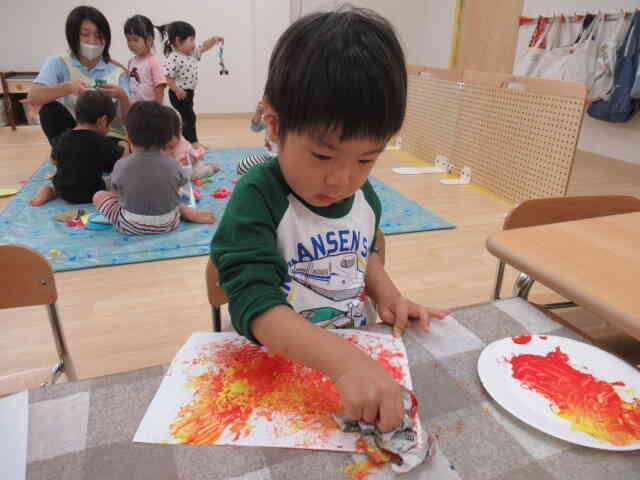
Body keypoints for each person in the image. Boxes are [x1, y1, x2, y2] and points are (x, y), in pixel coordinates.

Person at [210, 7, 448, 433]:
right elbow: (253, 302)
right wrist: (345, 363)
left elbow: (363, 253)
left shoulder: (363, 197)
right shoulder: (257, 198)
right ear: (274, 125)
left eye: (366, 159)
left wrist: (389, 295)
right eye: (322, 155)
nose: (342, 179)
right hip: (273, 368)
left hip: (349, 364)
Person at [93, 101, 215, 235]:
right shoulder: (173, 164)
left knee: (99, 195)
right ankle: (185, 211)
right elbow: (182, 182)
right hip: (169, 223)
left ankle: (177, 211)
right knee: (168, 197)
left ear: (128, 136)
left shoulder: (121, 164)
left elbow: (116, 190)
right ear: (168, 138)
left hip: (130, 226)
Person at [28, 6, 130, 148]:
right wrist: (67, 88)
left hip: (108, 137)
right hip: (73, 136)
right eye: (85, 34)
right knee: (49, 109)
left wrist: (122, 96)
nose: (92, 41)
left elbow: (128, 121)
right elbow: (33, 96)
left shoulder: (118, 72)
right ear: (73, 35)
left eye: (98, 35)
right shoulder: (58, 63)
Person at [29, 91, 129, 206]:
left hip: (63, 190)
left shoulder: (62, 138)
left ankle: (52, 191)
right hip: (92, 193)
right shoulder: (100, 141)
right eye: (109, 125)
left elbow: (53, 160)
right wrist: (125, 146)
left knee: (65, 181)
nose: (108, 129)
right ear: (103, 121)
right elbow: (122, 163)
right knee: (115, 184)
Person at [159, 20, 223, 149]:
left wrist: (213, 40)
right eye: (191, 40)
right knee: (189, 117)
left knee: (186, 117)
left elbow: (203, 47)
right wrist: (177, 90)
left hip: (188, 93)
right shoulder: (174, 57)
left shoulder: (192, 54)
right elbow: (168, 77)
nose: (194, 44)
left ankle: (184, 142)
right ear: (178, 41)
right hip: (179, 94)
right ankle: (193, 143)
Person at [124, 14, 167, 104]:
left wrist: (158, 108)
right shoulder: (131, 62)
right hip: (134, 107)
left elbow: (160, 86)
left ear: (149, 40)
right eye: (128, 40)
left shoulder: (152, 62)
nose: (131, 44)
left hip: (149, 108)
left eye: (135, 40)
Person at [237, 99, 279, 175]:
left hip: (281, 160)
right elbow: (255, 128)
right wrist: (258, 113)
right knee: (243, 165)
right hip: (268, 157)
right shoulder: (268, 120)